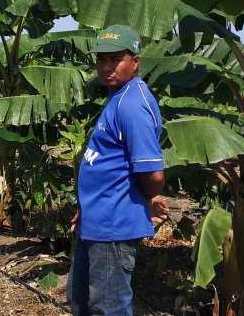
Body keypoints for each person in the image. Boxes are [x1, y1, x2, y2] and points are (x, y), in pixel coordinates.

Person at [67, 24, 168, 316]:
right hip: (96, 222)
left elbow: (153, 174)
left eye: (115, 59)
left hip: (112, 228)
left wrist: (147, 200)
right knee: (81, 301)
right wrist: (86, 208)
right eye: (101, 59)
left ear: (135, 62)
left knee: (108, 307)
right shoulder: (118, 96)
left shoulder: (131, 105)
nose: (107, 66)